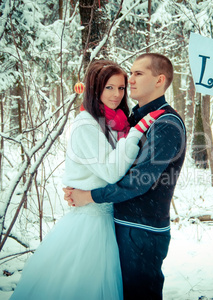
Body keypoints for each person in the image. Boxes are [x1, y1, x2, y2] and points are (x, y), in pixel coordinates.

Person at [11, 60, 163, 300]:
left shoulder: (116, 122)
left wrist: (132, 131)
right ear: (95, 89)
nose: (116, 94)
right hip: (89, 223)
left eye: (121, 88)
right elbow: (112, 173)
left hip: (109, 218)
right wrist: (136, 132)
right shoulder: (86, 124)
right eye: (109, 88)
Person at [64, 53, 187, 299]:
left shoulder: (166, 124)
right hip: (119, 223)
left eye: (138, 74)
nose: (130, 80)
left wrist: (90, 195)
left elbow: (137, 181)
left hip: (143, 229)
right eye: (130, 74)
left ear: (159, 80)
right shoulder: (133, 118)